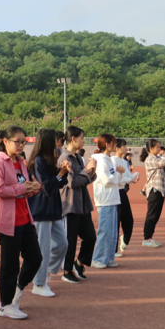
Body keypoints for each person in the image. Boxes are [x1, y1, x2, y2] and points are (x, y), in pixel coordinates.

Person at [0, 125, 42, 319]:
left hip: (25, 218)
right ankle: (5, 305)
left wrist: (34, 187)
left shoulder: (21, 162)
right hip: (8, 220)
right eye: (17, 142)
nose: (20, 145)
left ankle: (17, 290)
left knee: (35, 258)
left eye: (23, 142)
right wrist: (22, 188)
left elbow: (23, 187)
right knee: (10, 265)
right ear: (5, 142)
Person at [27, 128, 70, 297]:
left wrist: (62, 171)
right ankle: (38, 283)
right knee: (43, 248)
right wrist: (60, 174)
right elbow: (46, 187)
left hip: (52, 209)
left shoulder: (48, 159)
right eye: (55, 140)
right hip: (42, 209)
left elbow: (58, 182)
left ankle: (44, 271)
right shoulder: (38, 161)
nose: (58, 143)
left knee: (62, 243)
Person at [59, 126, 97, 283]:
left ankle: (79, 263)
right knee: (71, 239)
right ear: (73, 139)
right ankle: (67, 271)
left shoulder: (78, 158)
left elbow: (84, 180)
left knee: (90, 236)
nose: (83, 141)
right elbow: (72, 182)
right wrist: (86, 171)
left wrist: (91, 171)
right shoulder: (64, 158)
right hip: (70, 204)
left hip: (82, 203)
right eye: (82, 138)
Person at [90, 134, 123, 269]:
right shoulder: (102, 161)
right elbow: (106, 180)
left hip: (112, 199)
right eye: (113, 143)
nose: (115, 146)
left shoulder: (108, 160)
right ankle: (97, 258)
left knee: (112, 232)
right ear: (108, 144)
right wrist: (116, 174)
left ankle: (108, 257)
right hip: (105, 200)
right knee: (104, 231)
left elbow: (114, 179)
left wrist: (118, 174)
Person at [140, 139, 165, 248]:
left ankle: (150, 237)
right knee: (152, 215)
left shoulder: (158, 158)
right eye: (157, 147)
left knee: (156, 215)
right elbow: (163, 163)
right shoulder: (150, 159)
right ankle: (146, 238)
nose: (159, 149)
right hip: (154, 189)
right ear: (151, 148)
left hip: (160, 189)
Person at [113, 140, 139, 256]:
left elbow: (128, 176)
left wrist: (136, 175)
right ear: (117, 148)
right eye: (124, 146)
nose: (126, 149)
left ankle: (124, 239)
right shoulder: (113, 161)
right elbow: (117, 180)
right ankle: (114, 250)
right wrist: (129, 179)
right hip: (115, 192)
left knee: (129, 220)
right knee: (116, 221)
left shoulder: (124, 162)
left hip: (123, 192)